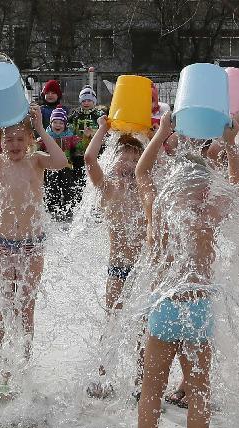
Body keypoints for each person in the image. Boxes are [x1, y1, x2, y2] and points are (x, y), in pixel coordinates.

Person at [120, 111, 239, 428]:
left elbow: (142, 172)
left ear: (172, 186)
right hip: (198, 308)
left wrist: (161, 132)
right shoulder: (209, 214)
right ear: (206, 189)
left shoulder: (158, 209)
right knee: (200, 391)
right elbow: (238, 181)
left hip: (164, 307)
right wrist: (231, 143)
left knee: (152, 389)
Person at [0, 104, 69, 399]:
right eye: (8, 139)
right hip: (2, 244)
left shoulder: (37, 160)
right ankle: (4, 371)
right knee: (4, 307)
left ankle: (23, 368)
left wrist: (41, 127)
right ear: (0, 140)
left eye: (20, 139)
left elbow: (61, 160)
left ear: (29, 140)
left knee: (26, 307)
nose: (14, 145)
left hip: (32, 244)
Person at [83, 115, 145, 398]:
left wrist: (155, 133)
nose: (129, 165)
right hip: (118, 268)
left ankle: (141, 381)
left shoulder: (148, 191)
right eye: (124, 158)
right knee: (112, 321)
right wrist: (103, 130)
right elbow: (88, 159)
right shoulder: (108, 190)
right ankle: (101, 376)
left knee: (145, 328)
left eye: (136, 160)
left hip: (145, 270)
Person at [39, 106, 81, 221]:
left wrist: (84, 138)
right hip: (51, 166)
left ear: (65, 125)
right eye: (55, 122)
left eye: (61, 123)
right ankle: (52, 208)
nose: (58, 125)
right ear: (51, 123)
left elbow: (80, 147)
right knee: (51, 186)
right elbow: (36, 147)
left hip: (66, 166)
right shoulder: (45, 137)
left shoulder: (70, 137)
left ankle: (68, 207)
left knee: (68, 186)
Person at [67, 85, 107, 157]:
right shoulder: (75, 115)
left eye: (89, 101)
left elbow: (105, 133)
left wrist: (92, 135)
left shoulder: (100, 115)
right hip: (78, 152)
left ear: (94, 101)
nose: (86, 103)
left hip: (96, 151)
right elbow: (69, 133)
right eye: (83, 101)